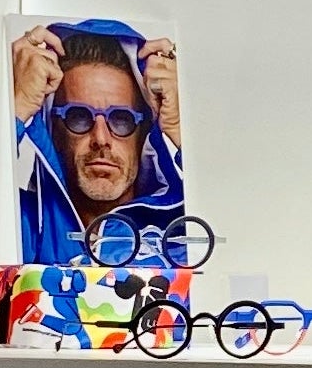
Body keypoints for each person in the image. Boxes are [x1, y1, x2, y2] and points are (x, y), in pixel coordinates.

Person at [11, 19, 184, 265]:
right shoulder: (18, 223)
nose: (101, 139)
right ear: (52, 130)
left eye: (122, 119)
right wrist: (19, 106)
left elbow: (244, 242)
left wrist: (181, 129)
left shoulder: (184, 231)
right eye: (79, 117)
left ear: (145, 132)